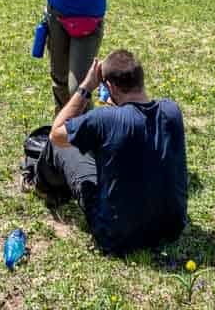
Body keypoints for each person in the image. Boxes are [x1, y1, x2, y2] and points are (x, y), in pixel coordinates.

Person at [31, 49, 188, 256]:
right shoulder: (172, 110)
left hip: (117, 237)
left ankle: (43, 186)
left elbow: (56, 134)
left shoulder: (105, 119)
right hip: (171, 228)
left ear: (111, 87)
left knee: (57, 146)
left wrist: (86, 87)